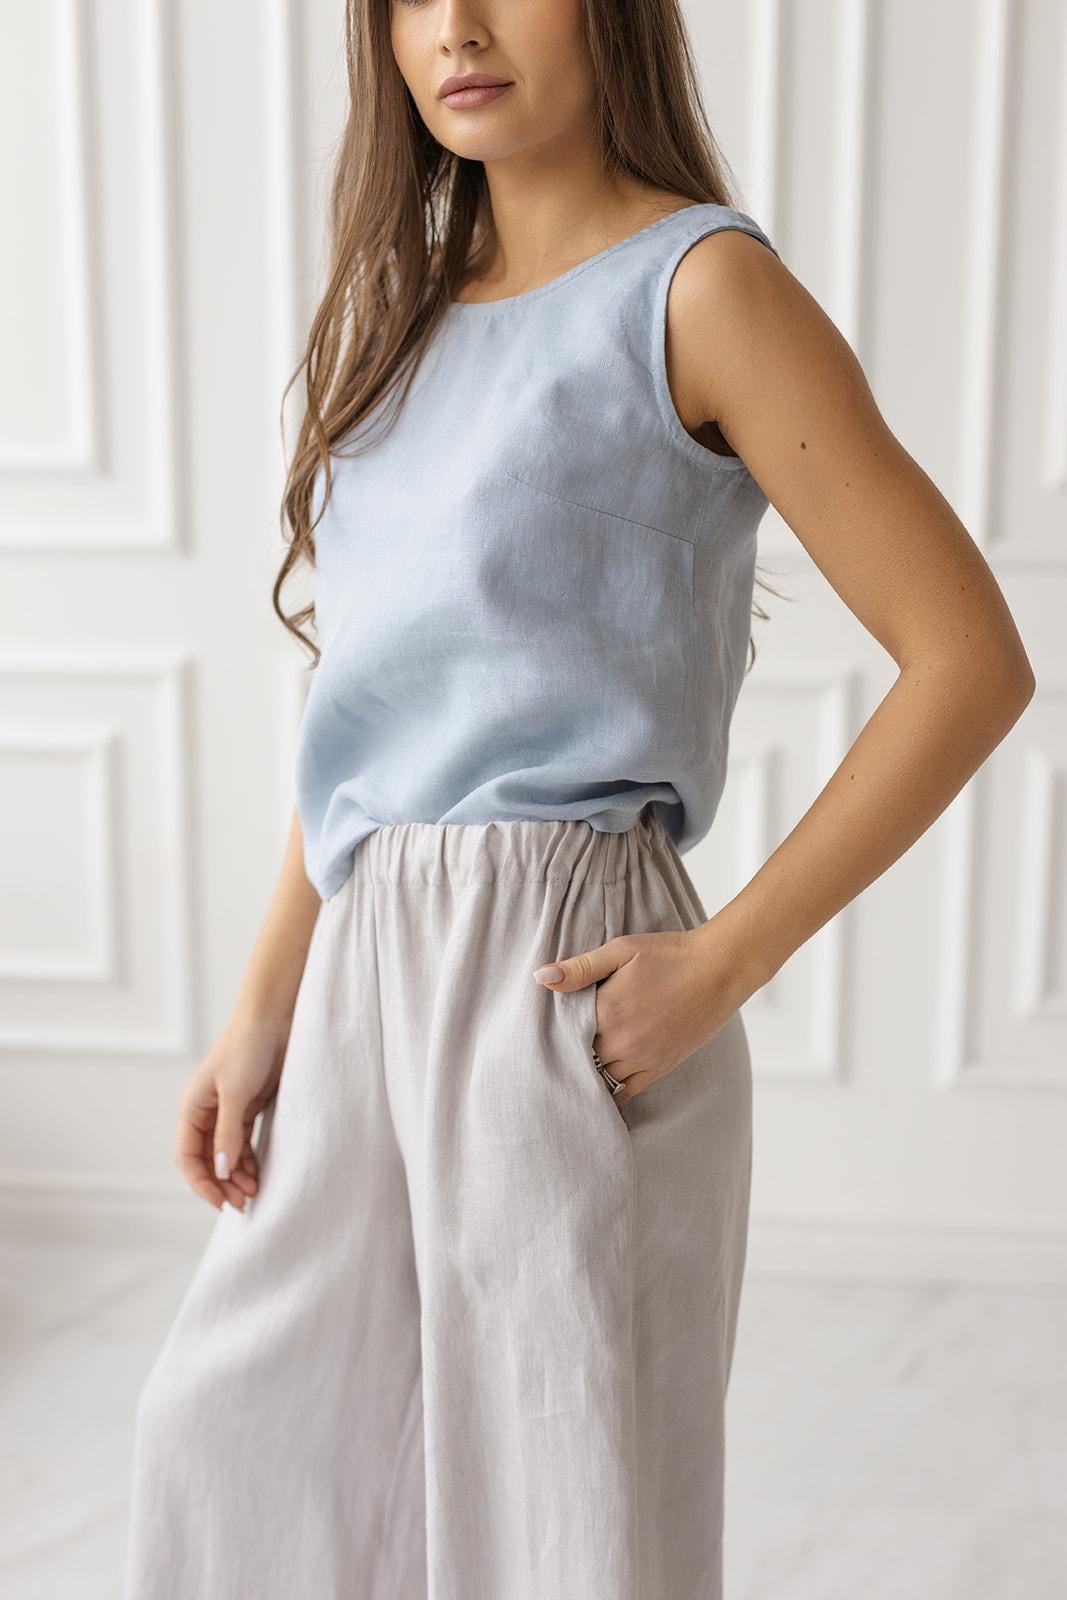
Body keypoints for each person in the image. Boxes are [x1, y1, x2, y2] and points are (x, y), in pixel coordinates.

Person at [120, 0, 1035, 1596]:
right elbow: (374, 708)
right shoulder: (396, 316)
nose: (457, 30)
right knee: (238, 1452)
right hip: (361, 982)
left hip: (561, 982)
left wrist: (727, 957)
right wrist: (268, 999)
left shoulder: (704, 288)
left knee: (564, 1525)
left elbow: (969, 659)